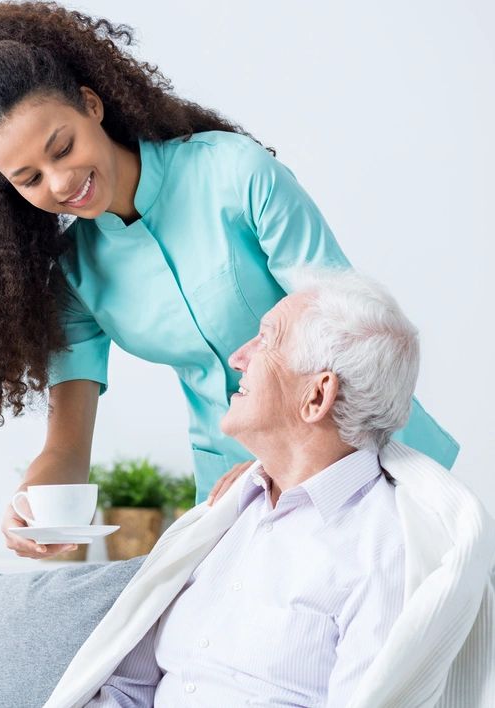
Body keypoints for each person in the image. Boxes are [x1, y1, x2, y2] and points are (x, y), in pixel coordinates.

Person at [0, 0, 458, 559]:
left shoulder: (233, 173)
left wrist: (283, 458)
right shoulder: (75, 274)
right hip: (235, 494)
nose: (60, 181)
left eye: (64, 147)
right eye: (29, 178)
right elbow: (67, 447)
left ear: (91, 106)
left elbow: (351, 333)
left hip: (371, 459)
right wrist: (35, 502)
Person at [43, 270, 495, 708]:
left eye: (266, 338)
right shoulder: (226, 514)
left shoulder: (385, 553)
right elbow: (126, 687)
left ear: (316, 397)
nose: (238, 357)